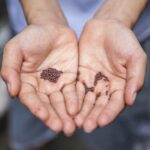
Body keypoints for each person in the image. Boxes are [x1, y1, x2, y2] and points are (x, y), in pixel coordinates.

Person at [1, 0, 150, 150]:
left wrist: (118, 15)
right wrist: (42, 14)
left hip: (121, 47)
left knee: (116, 136)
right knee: (29, 126)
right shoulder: (41, 69)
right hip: (36, 45)